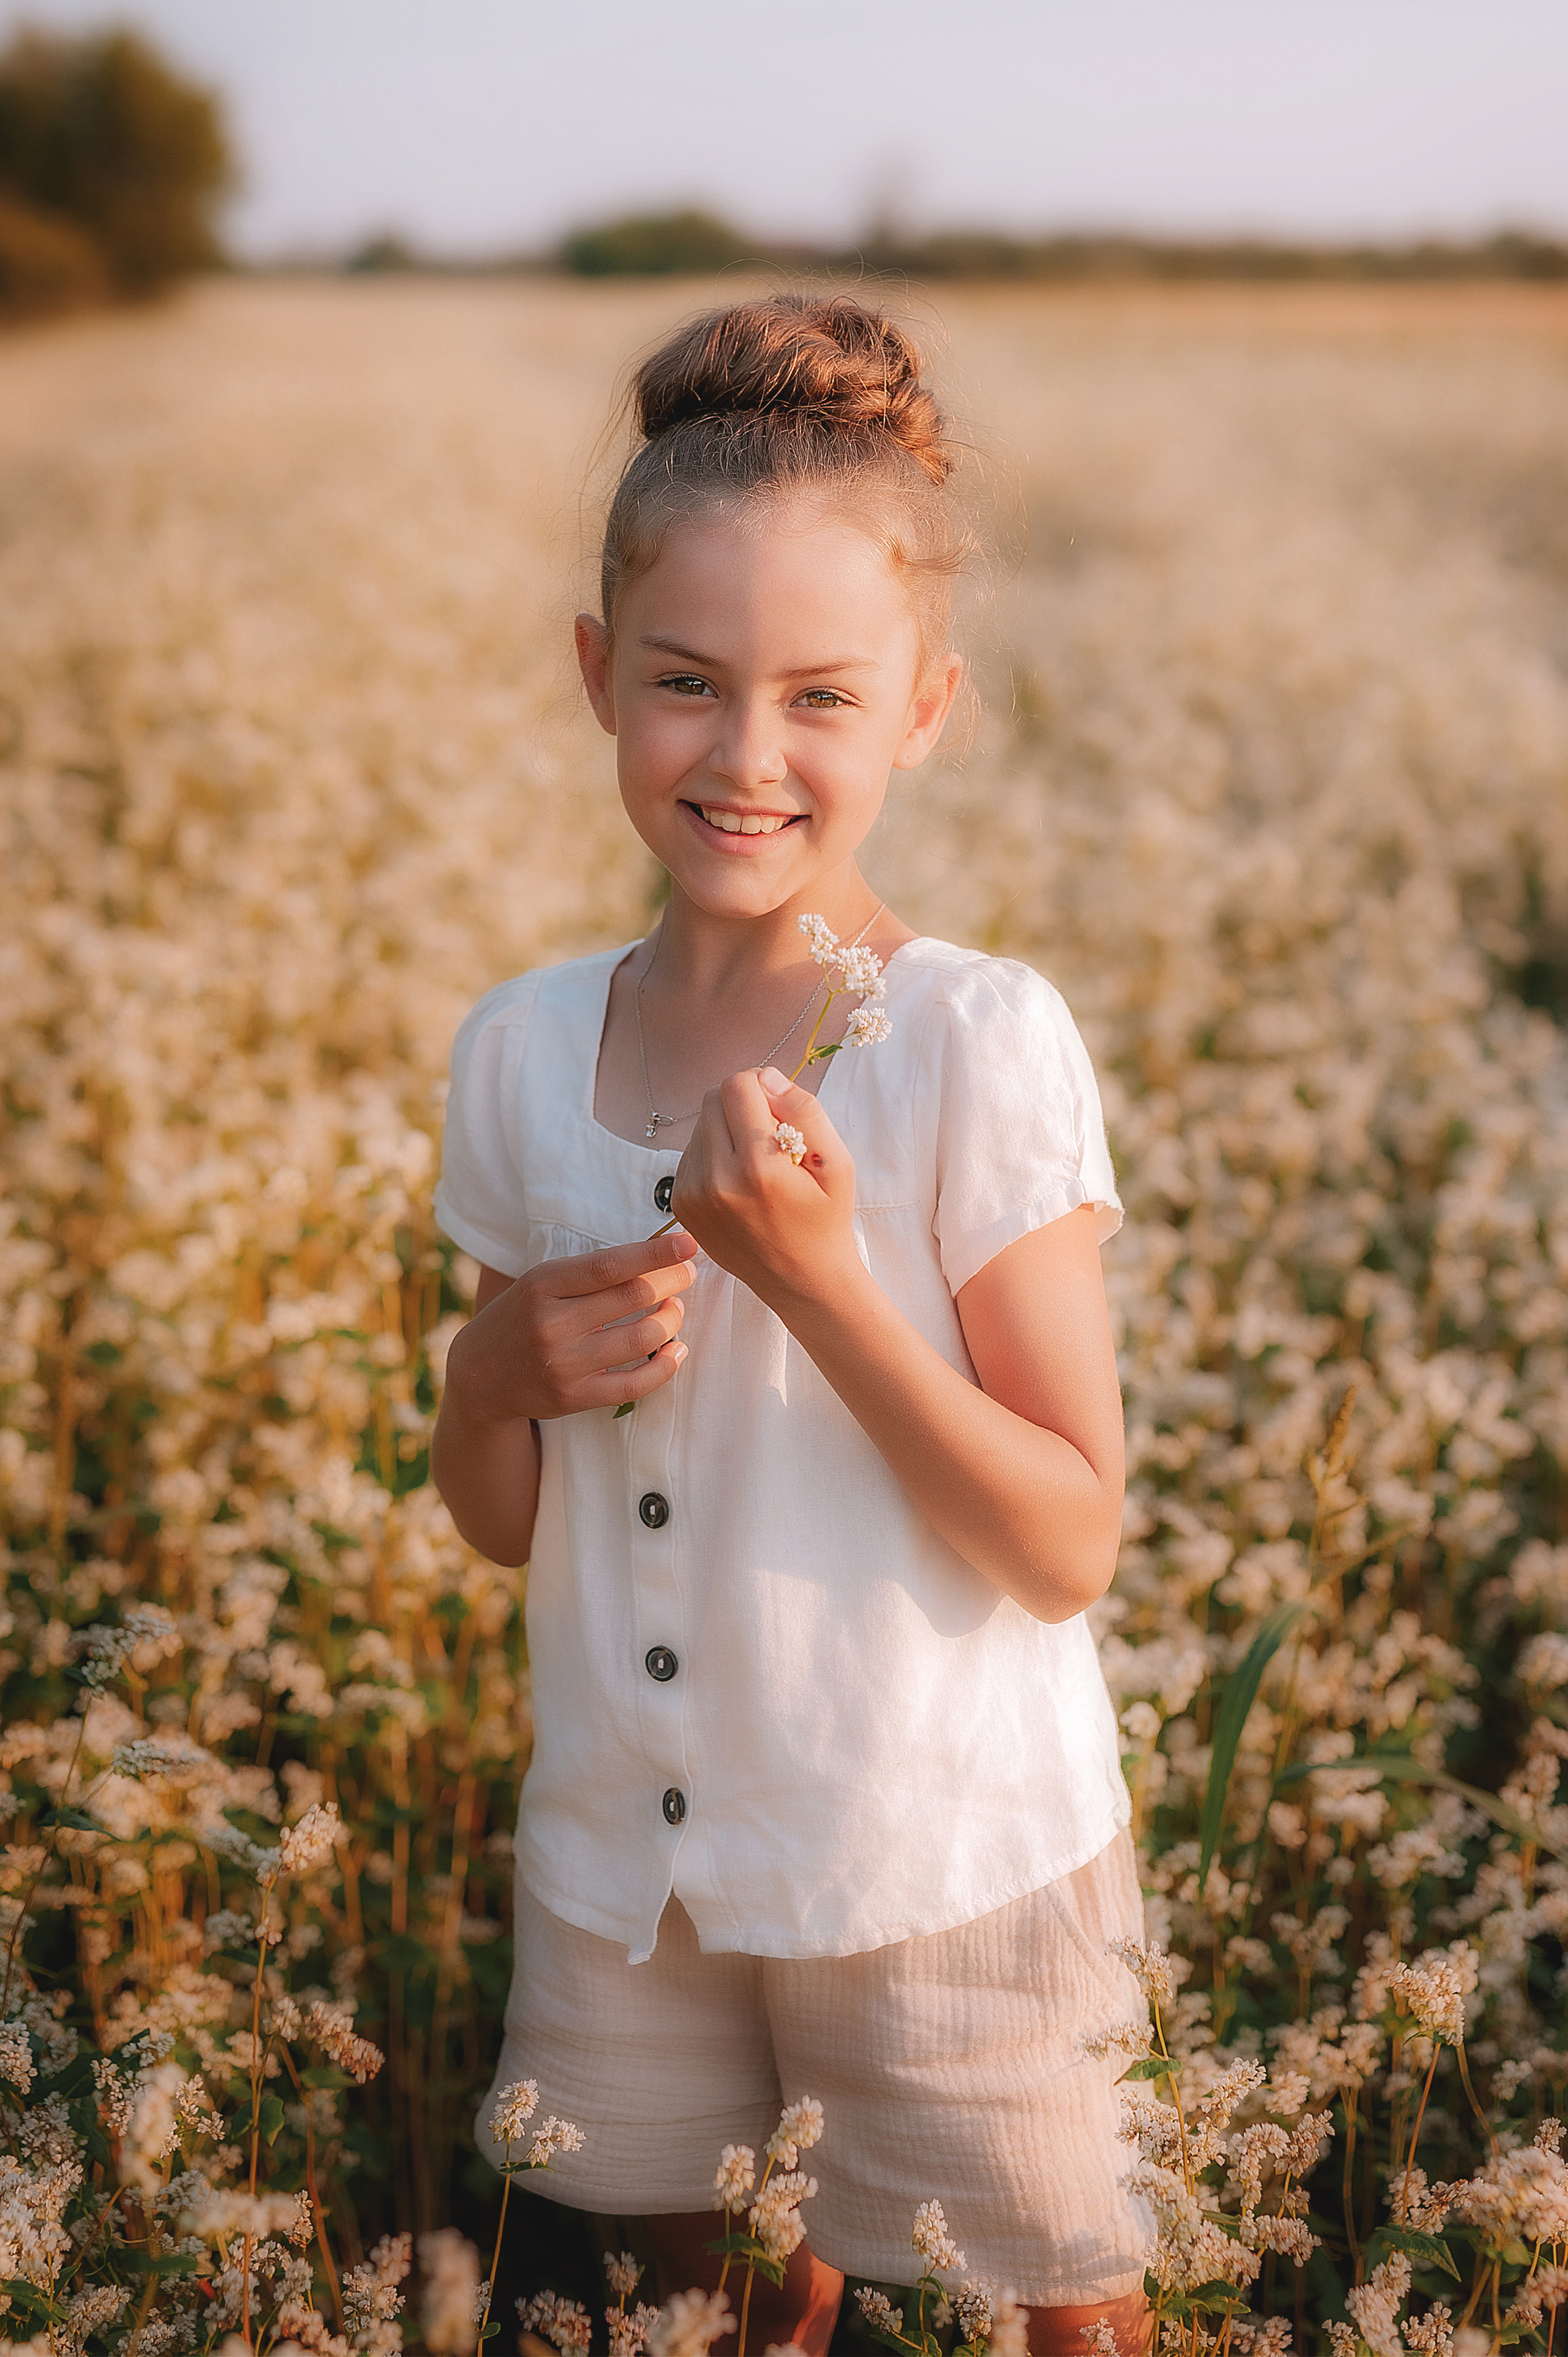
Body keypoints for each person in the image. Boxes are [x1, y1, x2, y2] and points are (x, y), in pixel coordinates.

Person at [431, 293, 1150, 2357]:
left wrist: (824, 1286)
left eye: (820, 698)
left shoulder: (971, 1042)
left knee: (1063, 2329)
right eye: (685, 685)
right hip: (631, 1884)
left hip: (933, 1848)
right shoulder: (520, 1052)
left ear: (927, 708)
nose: (747, 758)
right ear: (598, 681)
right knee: (730, 2322)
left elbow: (1067, 1541)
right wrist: (486, 1380)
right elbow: (504, 1516)